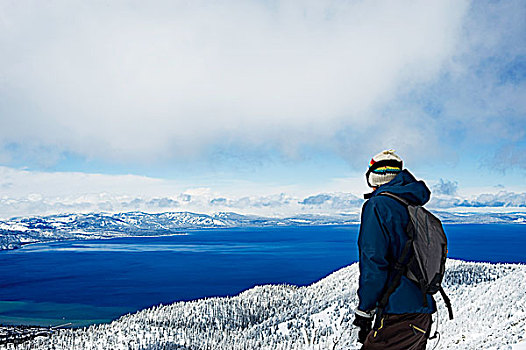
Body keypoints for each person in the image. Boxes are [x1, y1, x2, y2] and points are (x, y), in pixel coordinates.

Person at [352, 149, 436, 350]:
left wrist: (364, 311)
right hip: (422, 313)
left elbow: (374, 262)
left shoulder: (377, 205)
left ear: (374, 176)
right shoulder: (412, 205)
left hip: (396, 313)